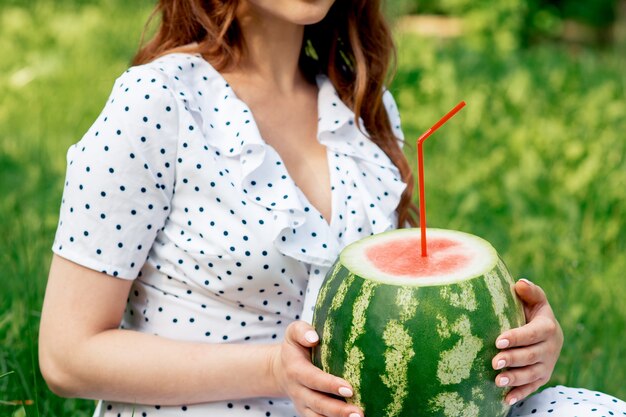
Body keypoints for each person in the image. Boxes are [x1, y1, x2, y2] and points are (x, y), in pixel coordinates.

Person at [39, 1, 626, 416]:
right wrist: (273, 371)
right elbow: (66, 357)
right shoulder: (157, 103)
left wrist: (513, 349)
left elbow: (402, 323)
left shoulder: (362, 109)